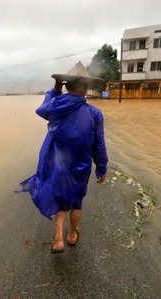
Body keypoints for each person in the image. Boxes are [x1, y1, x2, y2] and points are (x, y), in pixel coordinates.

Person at [17, 62, 108, 253]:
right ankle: (72, 235)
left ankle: (58, 239)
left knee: (59, 198)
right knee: (76, 201)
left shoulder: (54, 107)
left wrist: (55, 91)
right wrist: (102, 168)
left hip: (57, 162)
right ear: (85, 88)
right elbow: (98, 144)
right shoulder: (94, 113)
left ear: (66, 86)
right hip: (80, 164)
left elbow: (42, 110)